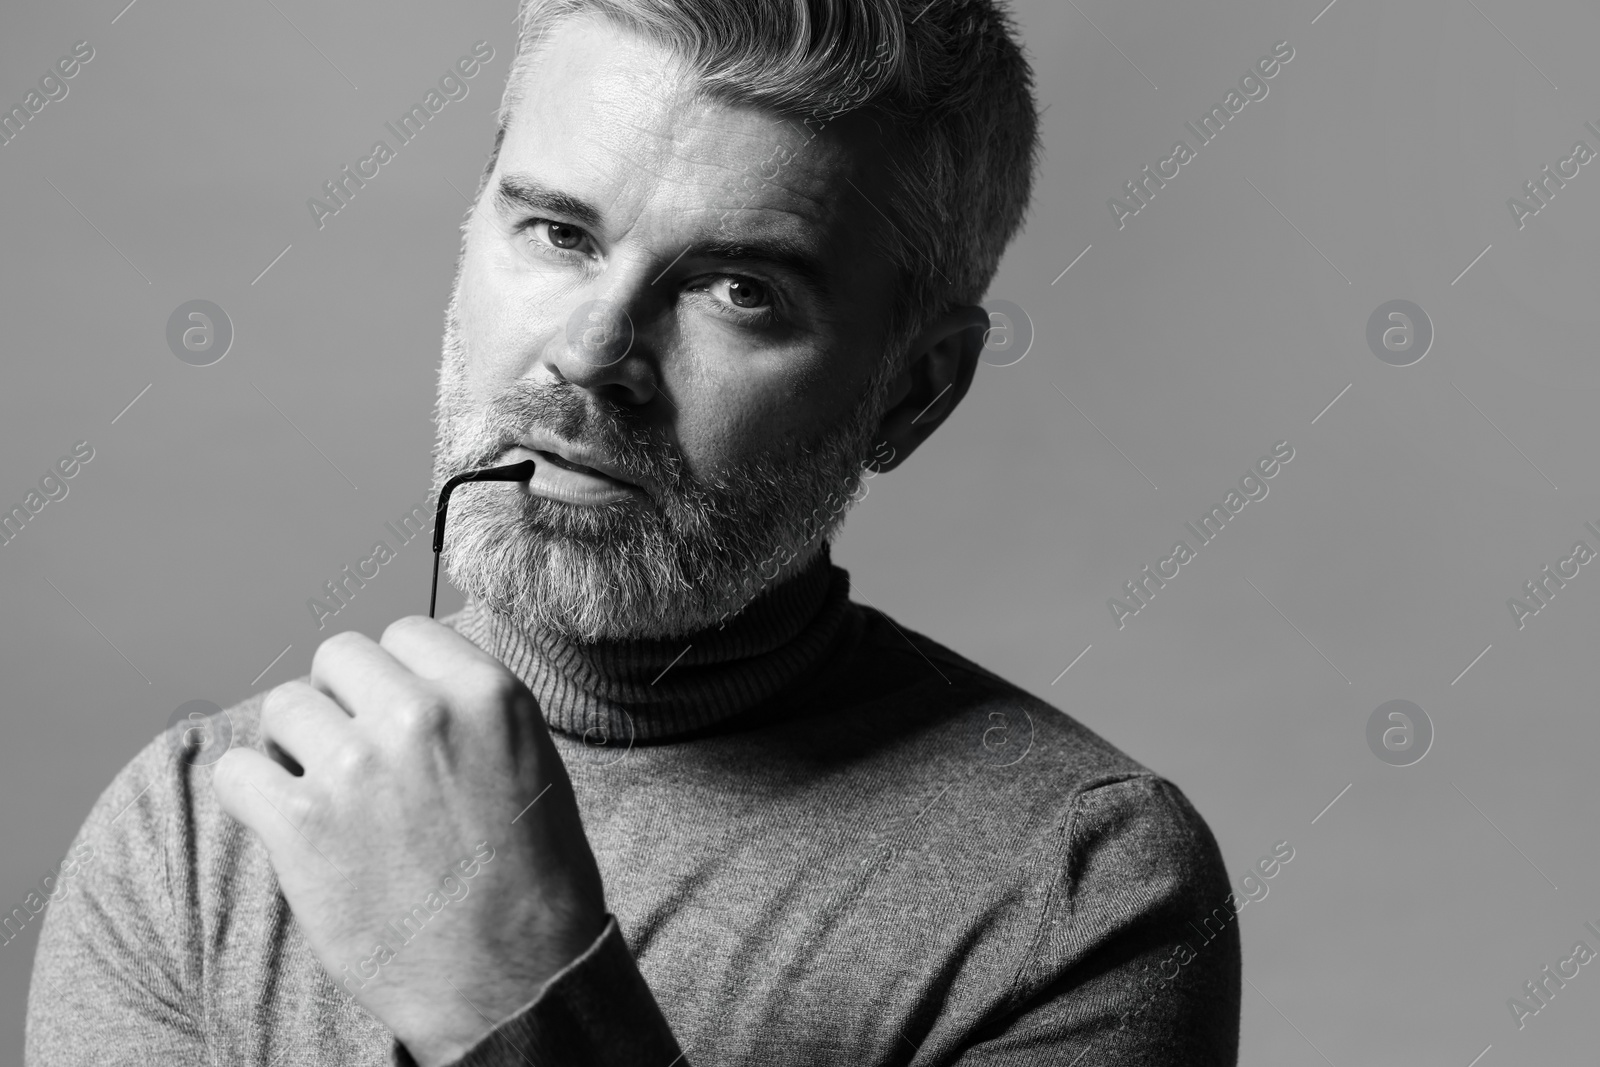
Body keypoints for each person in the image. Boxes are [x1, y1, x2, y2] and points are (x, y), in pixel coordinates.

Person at [27, 1, 1240, 1063]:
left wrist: (517, 990)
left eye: (737, 289)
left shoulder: (1080, 890)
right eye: (558, 232)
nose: (593, 352)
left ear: (914, 388)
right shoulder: (197, 831)